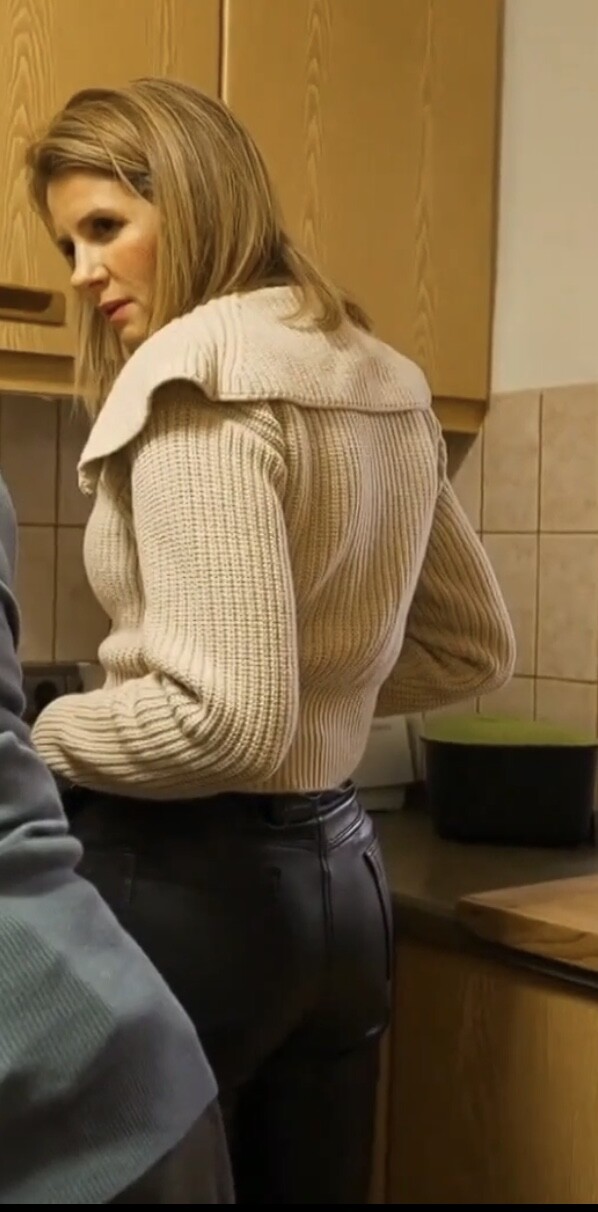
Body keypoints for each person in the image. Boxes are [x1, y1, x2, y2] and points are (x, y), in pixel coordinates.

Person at [25, 78, 516, 1204]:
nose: (82, 271)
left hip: (189, 889)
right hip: (343, 897)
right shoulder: (379, 374)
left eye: (105, 225)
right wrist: (314, 701)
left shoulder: (193, 373)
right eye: (67, 243)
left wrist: (39, 732)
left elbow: (223, 727)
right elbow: (471, 645)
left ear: (193, 198)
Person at [0, 473, 233, 1204]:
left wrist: (53, 727)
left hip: (74, 1114)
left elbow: (229, 720)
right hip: (130, 1062)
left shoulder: (189, 412)